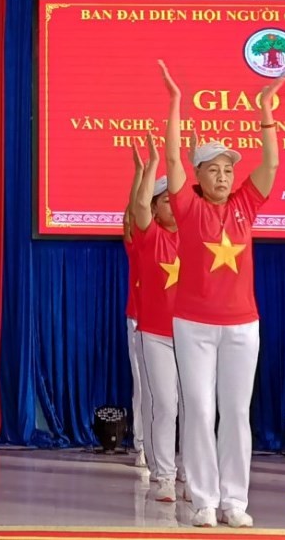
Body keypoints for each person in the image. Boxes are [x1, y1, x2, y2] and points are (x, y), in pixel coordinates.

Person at [158, 59, 284, 528]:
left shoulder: (246, 205)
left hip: (242, 325)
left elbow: (271, 163)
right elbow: (172, 159)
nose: (224, 176)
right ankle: (204, 500)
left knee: (235, 412)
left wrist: (266, 110)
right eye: (213, 169)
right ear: (199, 174)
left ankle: (234, 500)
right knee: (199, 409)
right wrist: (176, 102)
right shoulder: (187, 207)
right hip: (193, 324)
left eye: (228, 169)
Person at [129, 134, 183, 504]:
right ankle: (164, 474)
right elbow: (138, 207)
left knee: (194, 408)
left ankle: (192, 472)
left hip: (192, 332)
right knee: (164, 404)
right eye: (166, 201)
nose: (174, 206)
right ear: (155, 207)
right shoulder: (149, 236)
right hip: (155, 333)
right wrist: (150, 168)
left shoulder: (196, 236)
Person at [124, 151, 147, 468]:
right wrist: (139, 174)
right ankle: (141, 445)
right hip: (140, 320)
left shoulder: (181, 239)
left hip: (179, 323)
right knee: (143, 386)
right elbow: (131, 215)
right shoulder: (141, 241)